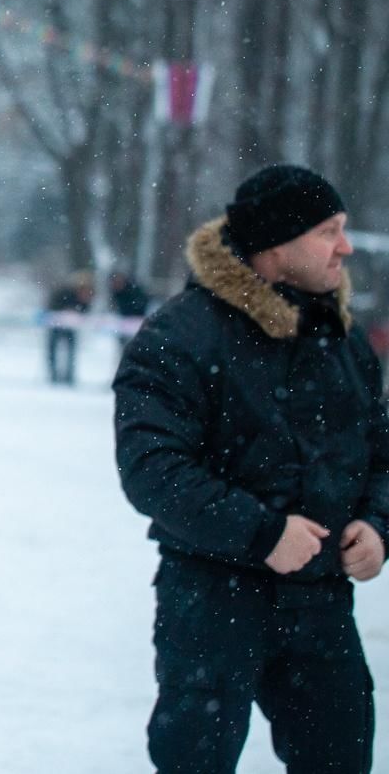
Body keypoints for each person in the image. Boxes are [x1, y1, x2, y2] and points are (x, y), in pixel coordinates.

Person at [113, 164, 388, 774]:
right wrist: (261, 533)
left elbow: (381, 452)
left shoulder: (340, 336)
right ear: (274, 246)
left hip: (320, 601)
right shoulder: (180, 336)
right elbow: (151, 467)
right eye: (329, 231)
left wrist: (376, 524)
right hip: (211, 596)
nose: (345, 246)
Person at [44, 272, 92, 385]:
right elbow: (52, 305)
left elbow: (85, 311)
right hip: (56, 325)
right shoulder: (63, 292)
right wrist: (64, 311)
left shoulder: (84, 297)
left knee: (70, 352)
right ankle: (53, 376)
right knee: (53, 350)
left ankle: (68, 376)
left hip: (71, 327)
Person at [108, 270, 149, 348]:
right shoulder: (118, 293)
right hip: (125, 326)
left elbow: (140, 306)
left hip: (135, 325)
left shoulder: (132, 292)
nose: (115, 285)